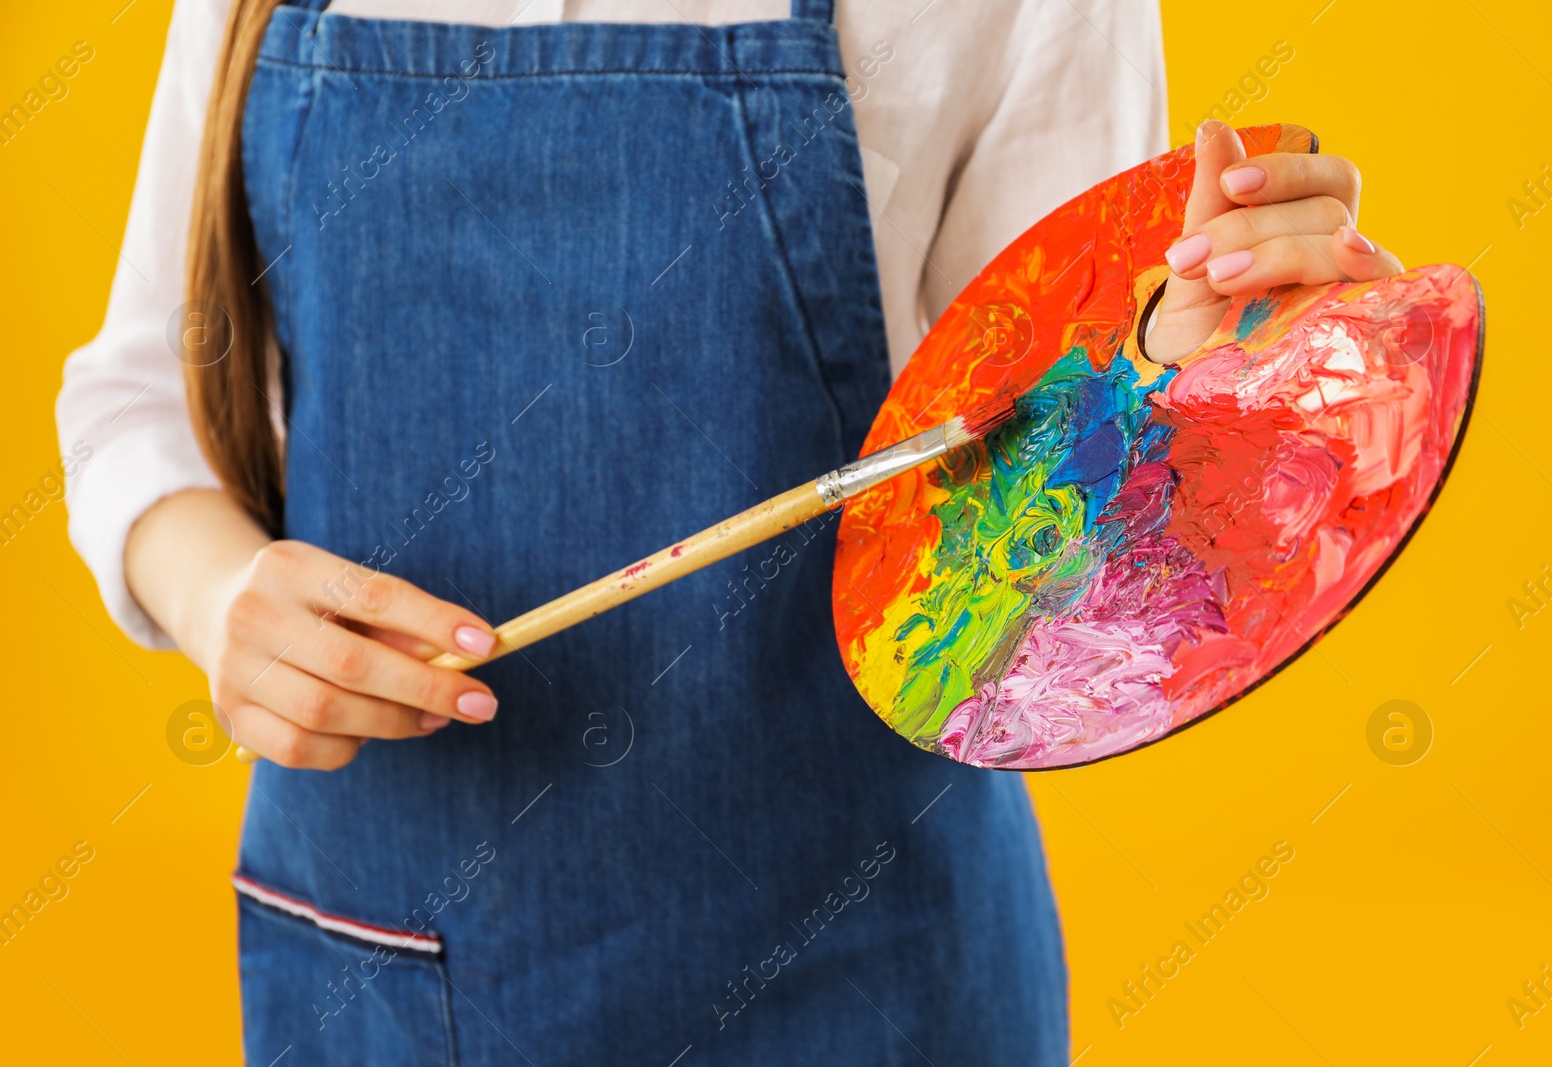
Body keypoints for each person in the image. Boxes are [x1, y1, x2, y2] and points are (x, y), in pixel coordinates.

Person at [56, 1, 1400, 1062]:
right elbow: (137, 400)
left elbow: (1029, 529)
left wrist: (1178, 382)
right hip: (391, 967)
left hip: (863, 974)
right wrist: (227, 598)